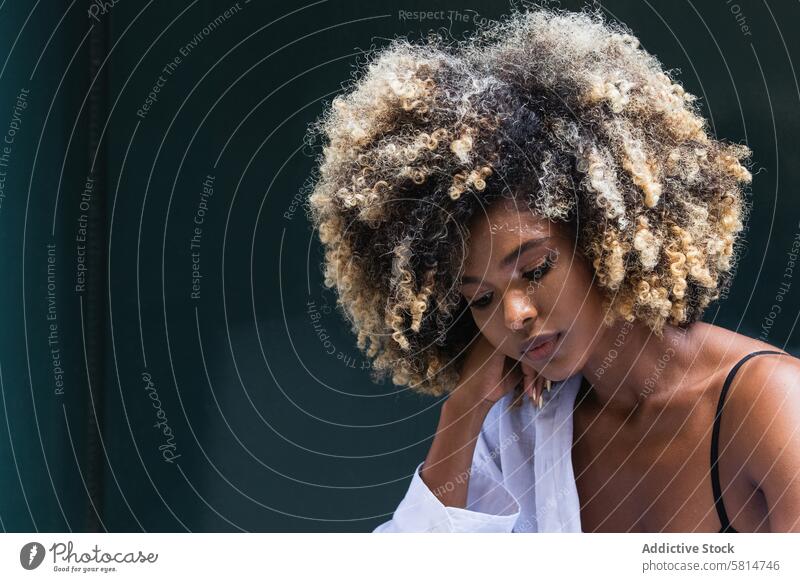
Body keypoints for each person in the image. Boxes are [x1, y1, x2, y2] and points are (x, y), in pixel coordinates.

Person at [304, 6, 800, 532]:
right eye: (481, 299)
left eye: (535, 269)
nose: (515, 314)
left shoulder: (769, 405)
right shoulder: (518, 431)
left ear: (605, 236)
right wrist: (466, 407)